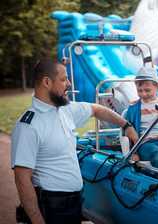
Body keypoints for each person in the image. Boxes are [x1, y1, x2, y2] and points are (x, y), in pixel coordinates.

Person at [11, 59, 138, 224]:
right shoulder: (28, 125)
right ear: (47, 82)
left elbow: (96, 109)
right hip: (51, 208)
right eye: (63, 79)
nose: (69, 83)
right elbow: (22, 180)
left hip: (73, 203)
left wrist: (126, 125)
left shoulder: (65, 110)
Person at [125, 66, 158, 171]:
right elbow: (129, 132)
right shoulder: (133, 109)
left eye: (147, 90)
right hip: (146, 144)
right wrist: (133, 152)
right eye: (140, 91)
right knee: (157, 154)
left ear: (157, 87)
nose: (143, 94)